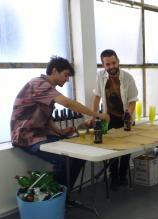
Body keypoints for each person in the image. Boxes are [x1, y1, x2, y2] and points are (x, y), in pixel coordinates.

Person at [11, 56, 101, 189]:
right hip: (26, 137)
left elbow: (44, 117)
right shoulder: (39, 84)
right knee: (64, 159)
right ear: (54, 71)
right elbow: (67, 102)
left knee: (80, 155)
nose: (67, 79)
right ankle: (55, 195)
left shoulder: (47, 88)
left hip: (40, 134)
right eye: (66, 75)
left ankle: (63, 193)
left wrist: (59, 131)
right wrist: (97, 114)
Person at [90, 49, 139, 190]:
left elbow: (132, 100)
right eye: (108, 64)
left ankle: (123, 176)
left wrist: (127, 116)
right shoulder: (100, 76)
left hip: (125, 119)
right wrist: (94, 115)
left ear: (118, 61)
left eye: (113, 63)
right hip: (109, 118)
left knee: (126, 150)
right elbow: (97, 96)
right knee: (111, 150)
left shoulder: (128, 78)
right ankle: (113, 177)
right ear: (103, 65)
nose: (111, 66)